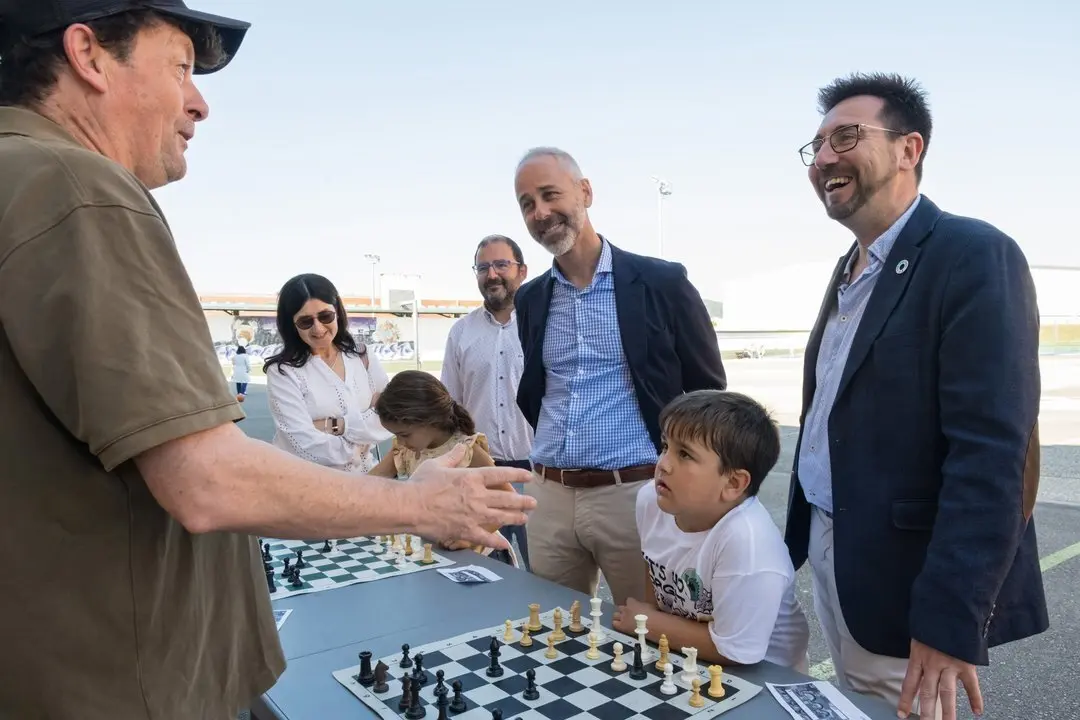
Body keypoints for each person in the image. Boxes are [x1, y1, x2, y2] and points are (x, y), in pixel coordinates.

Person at [0, 3, 534, 718]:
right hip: (120, 683)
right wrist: (418, 502)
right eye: (181, 66)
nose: (200, 102)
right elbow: (207, 480)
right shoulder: (80, 189)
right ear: (89, 56)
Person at [786, 72, 1046, 720]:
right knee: (851, 700)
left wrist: (949, 616)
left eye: (845, 137)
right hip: (840, 557)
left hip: (909, 584)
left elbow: (992, 455)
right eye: (814, 147)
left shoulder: (973, 254)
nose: (823, 159)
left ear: (910, 149)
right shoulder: (849, 269)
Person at [513, 146, 727, 606]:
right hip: (549, 495)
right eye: (527, 204)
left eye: (550, 195)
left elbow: (709, 390)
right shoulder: (531, 298)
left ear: (585, 192)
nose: (541, 212)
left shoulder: (661, 282)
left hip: (635, 494)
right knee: (556, 637)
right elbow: (538, 391)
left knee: (652, 638)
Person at [612, 390, 810, 672]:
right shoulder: (653, 500)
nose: (663, 464)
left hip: (764, 675)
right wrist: (652, 620)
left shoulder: (747, 543)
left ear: (733, 483)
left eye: (684, 454)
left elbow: (737, 651)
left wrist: (649, 624)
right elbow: (654, 567)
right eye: (665, 445)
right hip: (689, 655)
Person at [441, 234, 533, 569]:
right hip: (481, 473)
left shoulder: (541, 324)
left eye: (500, 265)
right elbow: (449, 407)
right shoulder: (461, 332)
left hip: (538, 475)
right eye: (483, 267)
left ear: (521, 271)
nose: (491, 274)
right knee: (486, 573)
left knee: (549, 580)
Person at [369, 370, 519, 566]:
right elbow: (369, 483)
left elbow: (510, 501)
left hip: (481, 555)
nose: (400, 442)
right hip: (439, 553)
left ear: (430, 420)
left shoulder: (465, 450)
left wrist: (471, 537)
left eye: (405, 434)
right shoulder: (405, 450)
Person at [265, 273, 391, 474]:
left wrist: (334, 425)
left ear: (338, 312)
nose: (318, 328)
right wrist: (362, 437)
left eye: (325, 316)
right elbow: (303, 445)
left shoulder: (362, 356)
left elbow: (390, 417)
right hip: (309, 486)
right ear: (292, 325)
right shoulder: (284, 372)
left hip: (368, 479)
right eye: (305, 321)